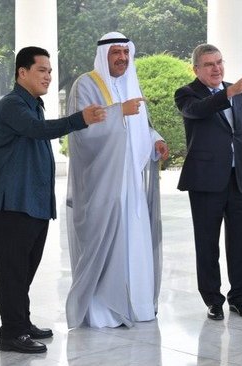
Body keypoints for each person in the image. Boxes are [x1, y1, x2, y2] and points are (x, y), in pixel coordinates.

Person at [0, 46, 105, 353]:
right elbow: (36, 131)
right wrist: (80, 119)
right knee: (12, 272)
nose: (49, 76)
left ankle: (21, 323)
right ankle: (11, 333)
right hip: (12, 204)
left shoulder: (34, 104)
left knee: (23, 270)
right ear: (22, 72)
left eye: (50, 71)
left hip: (31, 201)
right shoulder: (12, 104)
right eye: (42, 70)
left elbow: (15, 146)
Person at [65, 32, 169, 329]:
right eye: (116, 53)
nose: (123, 58)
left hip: (131, 185)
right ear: (104, 55)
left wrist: (155, 140)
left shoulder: (129, 83)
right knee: (106, 243)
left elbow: (139, 128)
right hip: (102, 184)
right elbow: (82, 132)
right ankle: (102, 309)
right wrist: (117, 112)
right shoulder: (85, 84)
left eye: (126, 52)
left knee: (133, 242)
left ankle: (135, 305)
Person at [175, 44, 242, 320]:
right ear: (196, 69)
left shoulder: (233, 91)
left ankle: (239, 297)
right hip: (205, 182)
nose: (216, 68)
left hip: (238, 179)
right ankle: (213, 299)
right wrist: (229, 92)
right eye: (209, 64)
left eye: (219, 62)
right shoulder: (187, 94)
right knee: (207, 243)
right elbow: (197, 111)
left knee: (240, 241)